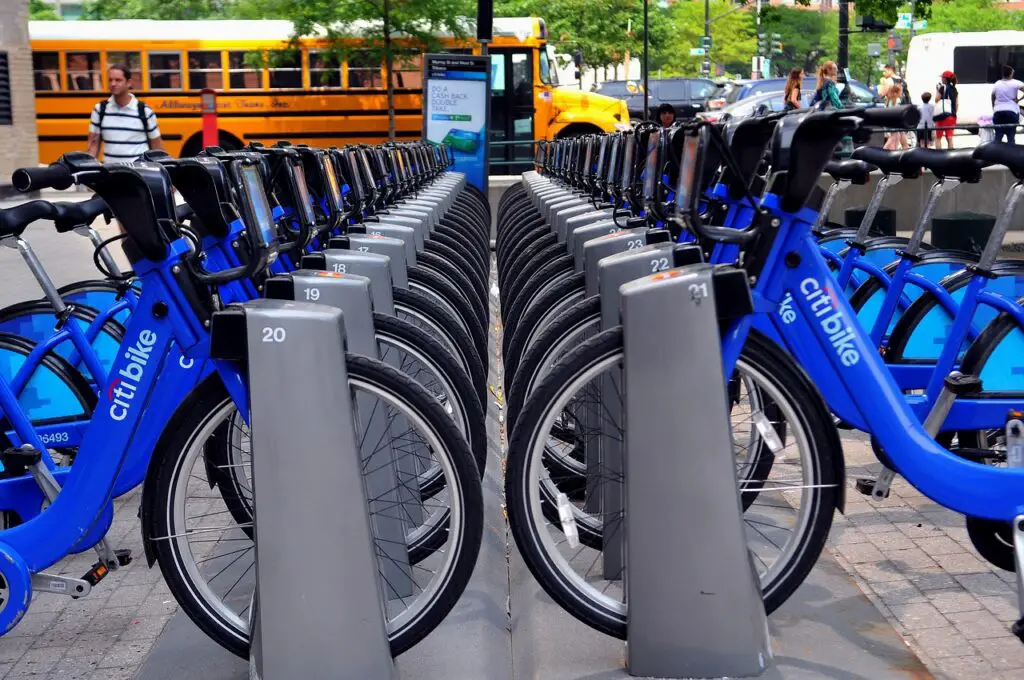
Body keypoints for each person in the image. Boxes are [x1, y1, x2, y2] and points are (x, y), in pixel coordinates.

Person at [86, 64, 163, 164]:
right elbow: (93, 146)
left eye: (118, 80)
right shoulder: (100, 110)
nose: (113, 84)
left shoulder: (145, 111)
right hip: (111, 174)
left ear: (129, 83)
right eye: (110, 80)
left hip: (139, 174)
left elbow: (156, 147)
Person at [991, 64, 1024, 144]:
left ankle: (995, 153)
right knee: (1011, 136)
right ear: (1011, 73)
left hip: (998, 112)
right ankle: (1011, 154)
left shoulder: (997, 83)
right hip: (1011, 111)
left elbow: (992, 96)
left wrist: (994, 107)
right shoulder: (1016, 83)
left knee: (998, 136)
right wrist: (1019, 99)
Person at [934, 70, 958, 150]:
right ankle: (951, 155)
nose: (941, 79)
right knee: (950, 137)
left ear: (945, 79)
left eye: (942, 77)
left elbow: (936, 99)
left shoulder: (942, 87)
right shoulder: (954, 89)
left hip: (942, 115)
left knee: (938, 138)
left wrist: (937, 90)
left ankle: (939, 156)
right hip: (952, 116)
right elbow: (956, 104)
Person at [883, 82, 910, 150]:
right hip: (895, 124)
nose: (902, 93)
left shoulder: (889, 100)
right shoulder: (897, 101)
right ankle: (882, 152)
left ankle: (892, 151)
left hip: (891, 123)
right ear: (896, 93)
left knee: (895, 139)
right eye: (900, 91)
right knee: (893, 139)